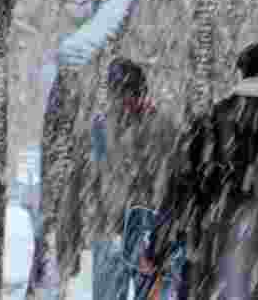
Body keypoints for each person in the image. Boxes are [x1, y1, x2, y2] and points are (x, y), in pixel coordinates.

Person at [141, 41, 258, 300]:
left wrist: (156, 251)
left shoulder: (206, 123)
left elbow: (178, 194)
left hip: (211, 258)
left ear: (242, 73)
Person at [57, 57, 179, 300]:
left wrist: (165, 239)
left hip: (146, 240)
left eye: (132, 93)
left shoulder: (162, 128)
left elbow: (174, 186)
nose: (126, 100)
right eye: (121, 92)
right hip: (117, 236)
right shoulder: (97, 130)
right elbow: (75, 188)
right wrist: (68, 241)